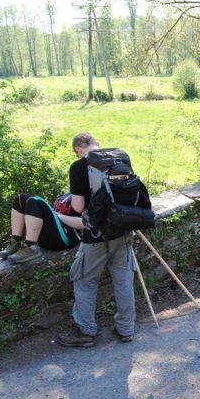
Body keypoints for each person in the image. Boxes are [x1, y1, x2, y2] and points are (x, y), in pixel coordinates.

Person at [57, 132, 136, 348]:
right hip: (122, 229)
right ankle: (126, 329)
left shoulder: (78, 167)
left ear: (79, 149)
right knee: (124, 281)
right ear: (96, 143)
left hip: (95, 235)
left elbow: (79, 207)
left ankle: (85, 331)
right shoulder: (120, 156)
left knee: (84, 281)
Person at [0, 193, 82, 264]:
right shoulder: (67, 194)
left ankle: (32, 247)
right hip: (54, 229)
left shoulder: (89, 195)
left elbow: (88, 224)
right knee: (21, 198)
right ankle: (17, 242)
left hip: (67, 236)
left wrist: (57, 216)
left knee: (35, 201)